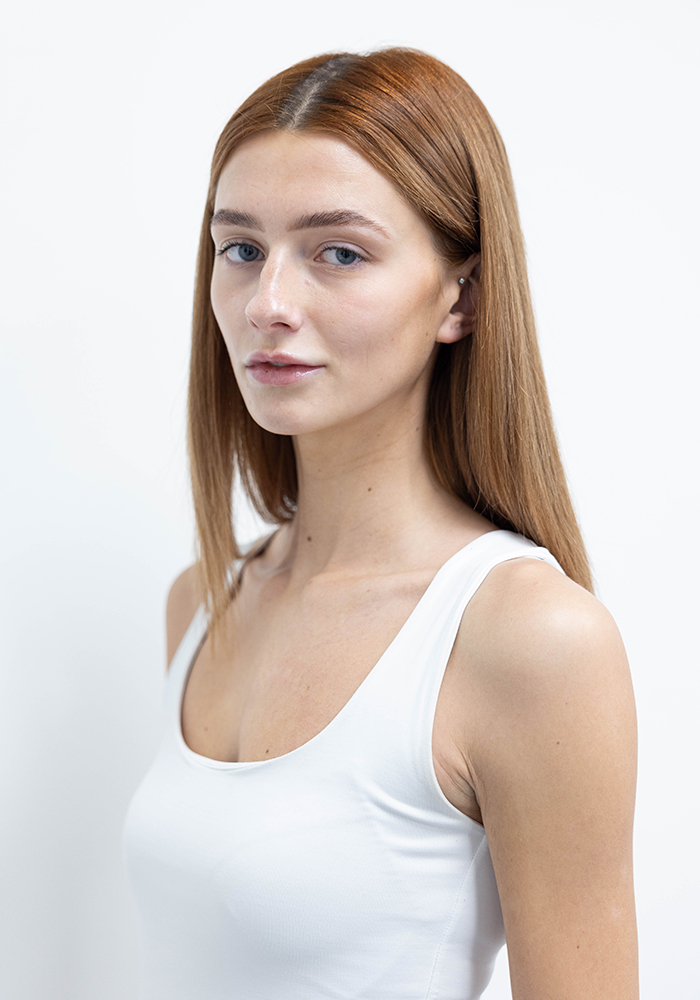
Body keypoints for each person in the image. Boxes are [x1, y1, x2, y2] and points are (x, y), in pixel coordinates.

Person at [123, 48, 638, 999]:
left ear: (461, 297)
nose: (268, 304)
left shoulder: (528, 638)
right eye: (241, 249)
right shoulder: (203, 603)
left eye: (339, 253)